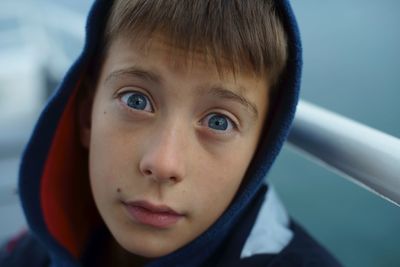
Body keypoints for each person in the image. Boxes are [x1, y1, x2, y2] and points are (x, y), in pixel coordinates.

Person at [0, 0, 342, 266]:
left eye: (219, 122)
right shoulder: (36, 250)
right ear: (87, 115)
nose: (163, 164)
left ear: (260, 150)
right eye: (136, 100)